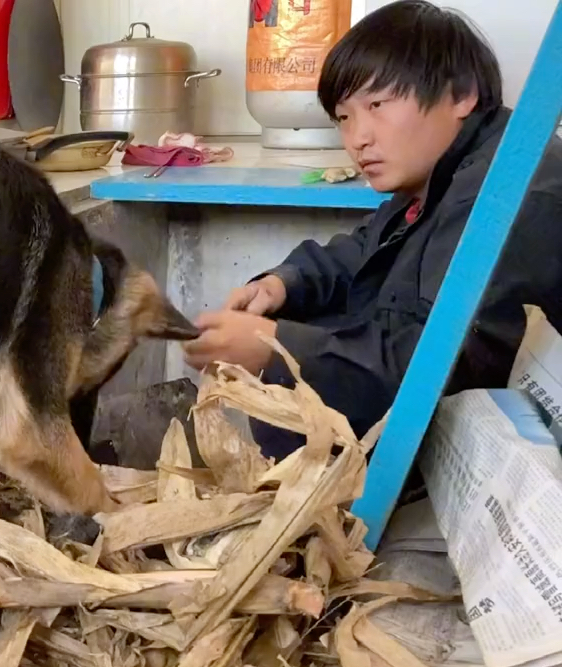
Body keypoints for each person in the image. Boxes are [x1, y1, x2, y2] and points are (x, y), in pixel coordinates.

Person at [183, 0, 562, 460]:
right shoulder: (447, 172)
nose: (358, 138)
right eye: (344, 117)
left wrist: (274, 347)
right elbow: (367, 246)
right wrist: (282, 283)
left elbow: (444, 366)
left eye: (377, 105)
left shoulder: (508, 193)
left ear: (460, 95)